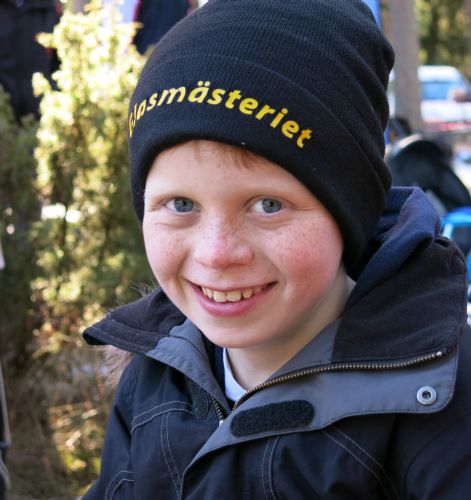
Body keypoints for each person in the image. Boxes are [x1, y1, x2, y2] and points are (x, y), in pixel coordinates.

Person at [83, 1, 471, 498]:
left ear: (349, 207)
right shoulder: (152, 379)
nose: (217, 254)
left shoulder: (442, 406)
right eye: (180, 204)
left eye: (268, 205)